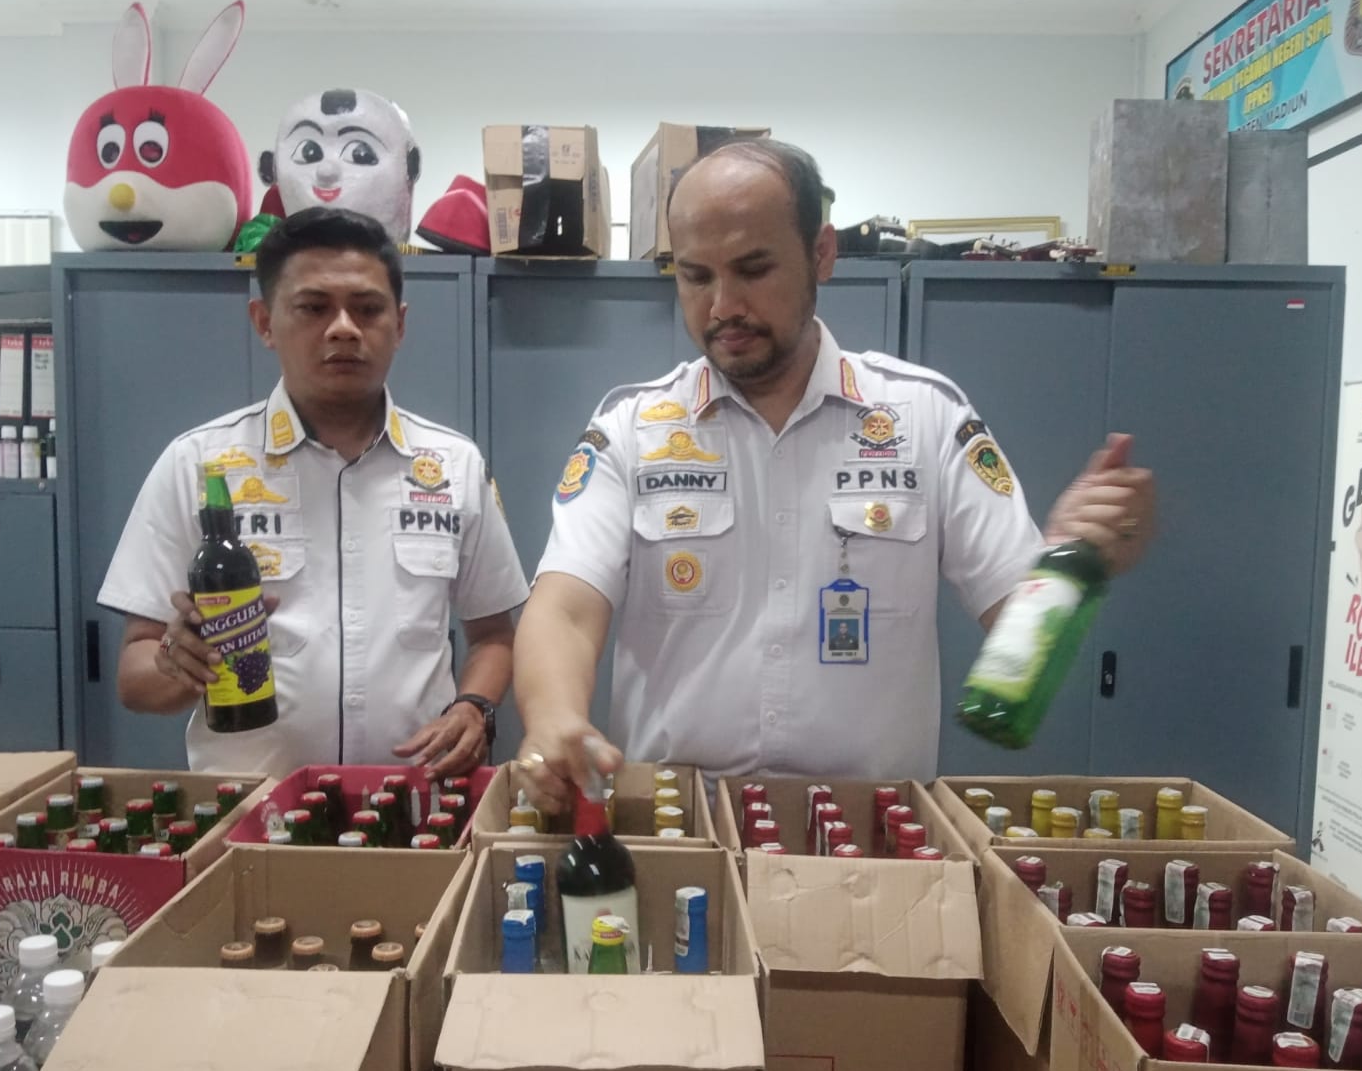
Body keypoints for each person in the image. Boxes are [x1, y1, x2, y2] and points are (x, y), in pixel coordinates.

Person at [513, 139, 1156, 811]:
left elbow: (1012, 615)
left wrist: (1075, 559)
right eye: (696, 276)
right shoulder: (632, 427)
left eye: (753, 268)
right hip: (682, 826)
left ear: (821, 253)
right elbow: (565, 606)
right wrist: (553, 716)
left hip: (870, 833)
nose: (722, 305)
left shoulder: (925, 417)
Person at [99, 207, 527, 779]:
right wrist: (179, 664)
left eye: (367, 309)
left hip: (409, 803)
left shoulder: (453, 466)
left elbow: (495, 635)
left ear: (400, 325)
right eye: (313, 307)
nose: (343, 328)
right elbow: (134, 678)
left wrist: (474, 706)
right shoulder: (199, 466)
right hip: (251, 806)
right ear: (264, 322)